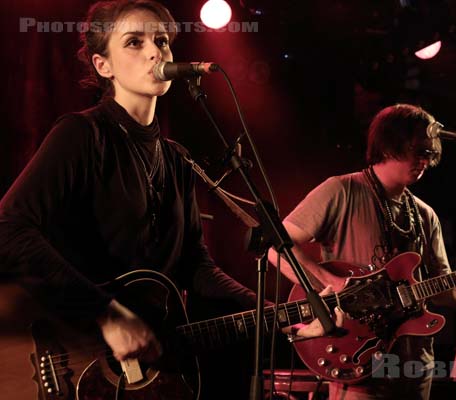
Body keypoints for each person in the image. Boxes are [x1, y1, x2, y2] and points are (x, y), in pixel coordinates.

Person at [0, 0, 339, 395]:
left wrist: (284, 317)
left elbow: (198, 269)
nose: (154, 51)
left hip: (150, 375)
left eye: (161, 40)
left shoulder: (176, 158)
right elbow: (9, 227)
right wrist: (106, 315)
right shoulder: (82, 136)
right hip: (74, 356)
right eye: (134, 42)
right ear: (102, 66)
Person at [267, 103, 456, 400]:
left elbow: (443, 287)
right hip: (359, 360)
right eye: (419, 150)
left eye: (430, 153)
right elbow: (276, 247)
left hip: (415, 367)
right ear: (389, 145)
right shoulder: (341, 190)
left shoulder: (425, 215)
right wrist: (329, 282)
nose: (426, 160)